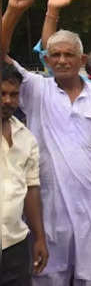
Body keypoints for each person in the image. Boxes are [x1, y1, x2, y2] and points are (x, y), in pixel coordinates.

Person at [2, 0, 91, 286]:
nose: (63, 60)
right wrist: (14, 11)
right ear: (47, 60)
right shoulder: (36, 90)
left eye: (69, 54)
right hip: (50, 211)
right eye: (55, 55)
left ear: (82, 61)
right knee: (49, 280)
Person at [1, 64, 49, 284]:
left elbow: (31, 188)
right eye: (1, 94)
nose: (7, 101)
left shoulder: (26, 137)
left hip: (15, 245)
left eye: (13, 94)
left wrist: (39, 237)